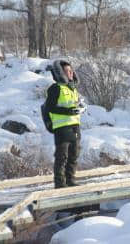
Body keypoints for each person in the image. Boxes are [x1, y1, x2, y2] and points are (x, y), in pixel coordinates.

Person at [45, 60, 84, 188]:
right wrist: (69, 111)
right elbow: (50, 108)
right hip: (62, 128)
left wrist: (81, 107)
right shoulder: (55, 88)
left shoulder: (72, 88)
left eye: (71, 70)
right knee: (62, 157)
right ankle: (60, 183)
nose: (71, 73)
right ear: (61, 73)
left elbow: (74, 104)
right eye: (67, 71)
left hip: (75, 126)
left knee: (74, 156)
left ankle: (70, 180)